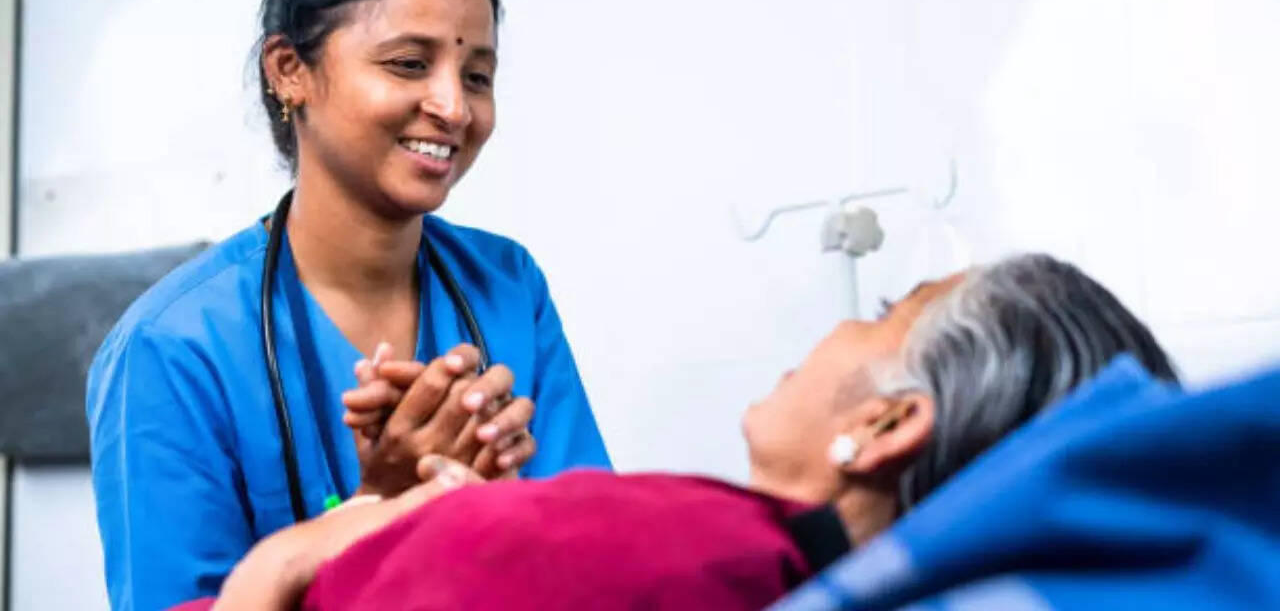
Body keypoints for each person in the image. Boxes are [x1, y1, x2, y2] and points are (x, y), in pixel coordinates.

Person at [86, 0, 610, 611]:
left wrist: (502, 505)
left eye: (478, 75)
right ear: (289, 71)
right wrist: (377, 512)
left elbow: (595, 559)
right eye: (409, 64)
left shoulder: (508, 286)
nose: (454, 107)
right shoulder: (170, 349)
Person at [180, 253, 1177, 610]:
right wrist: (397, 508)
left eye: (883, 313)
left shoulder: (671, 550)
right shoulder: (731, 556)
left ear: (882, 425)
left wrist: (291, 555)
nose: (450, 105)